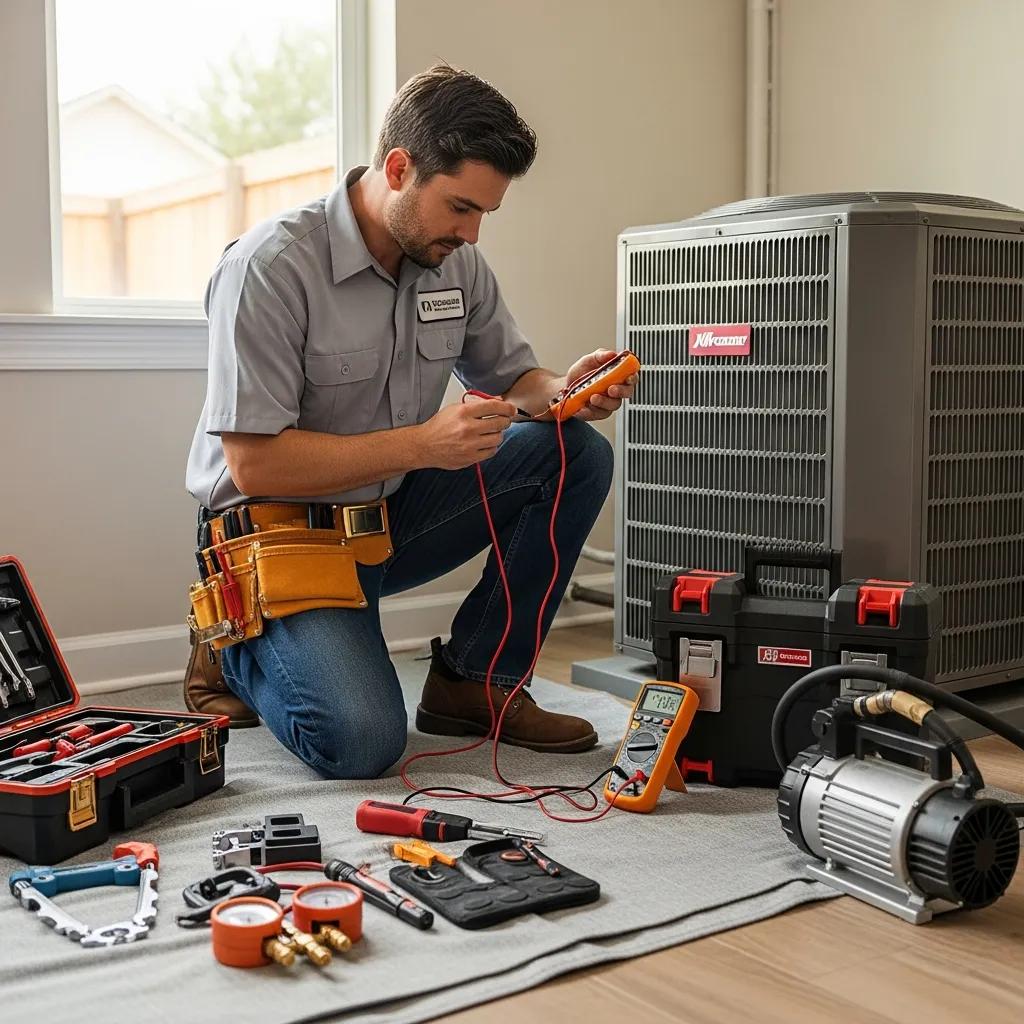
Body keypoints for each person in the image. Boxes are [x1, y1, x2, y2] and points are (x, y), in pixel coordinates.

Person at [183, 63, 634, 779]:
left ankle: (476, 681)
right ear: (399, 168)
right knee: (360, 744)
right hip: (277, 536)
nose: (474, 233)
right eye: (460, 207)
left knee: (573, 450)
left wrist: (563, 387)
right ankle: (232, 649)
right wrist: (425, 445)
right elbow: (255, 464)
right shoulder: (269, 268)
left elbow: (515, 379)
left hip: (386, 521)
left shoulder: (453, 261)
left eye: (485, 212)